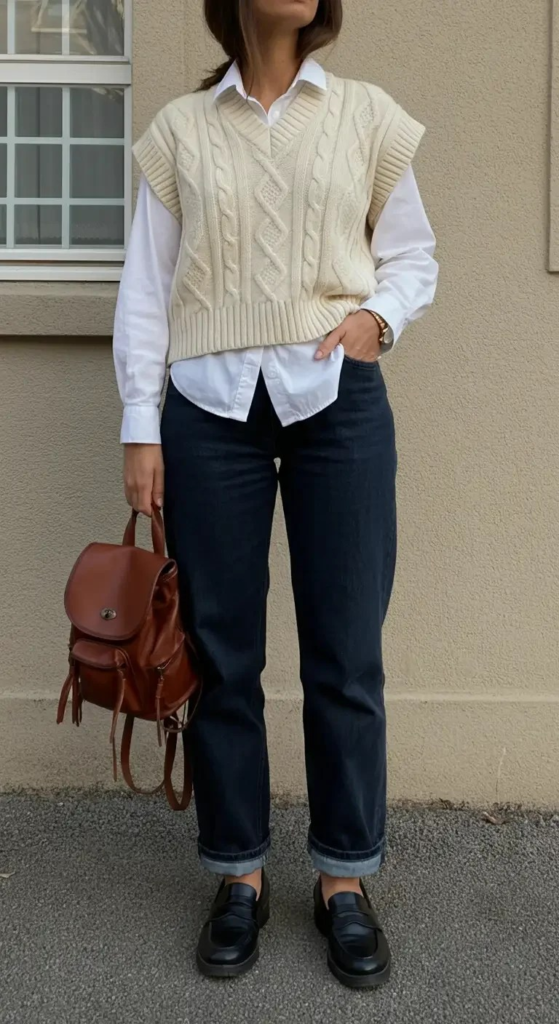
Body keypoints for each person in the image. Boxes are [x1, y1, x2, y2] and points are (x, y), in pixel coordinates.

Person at [113, 0, 438, 989]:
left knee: (345, 651)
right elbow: (146, 286)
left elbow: (412, 253)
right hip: (207, 413)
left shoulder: (366, 117)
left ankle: (343, 879)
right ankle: (239, 872)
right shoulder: (179, 132)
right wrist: (140, 421)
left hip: (336, 404)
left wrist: (377, 318)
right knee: (221, 653)